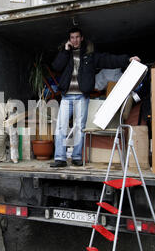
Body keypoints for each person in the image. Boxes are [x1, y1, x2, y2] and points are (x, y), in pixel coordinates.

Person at [50, 27, 140, 167]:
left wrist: (127, 59)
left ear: (82, 38)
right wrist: (65, 51)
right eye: (72, 37)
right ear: (69, 39)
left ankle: (77, 157)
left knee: (80, 127)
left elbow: (108, 60)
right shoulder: (65, 54)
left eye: (77, 37)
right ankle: (60, 158)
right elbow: (56, 66)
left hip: (81, 96)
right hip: (66, 96)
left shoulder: (90, 55)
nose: (75, 40)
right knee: (61, 127)